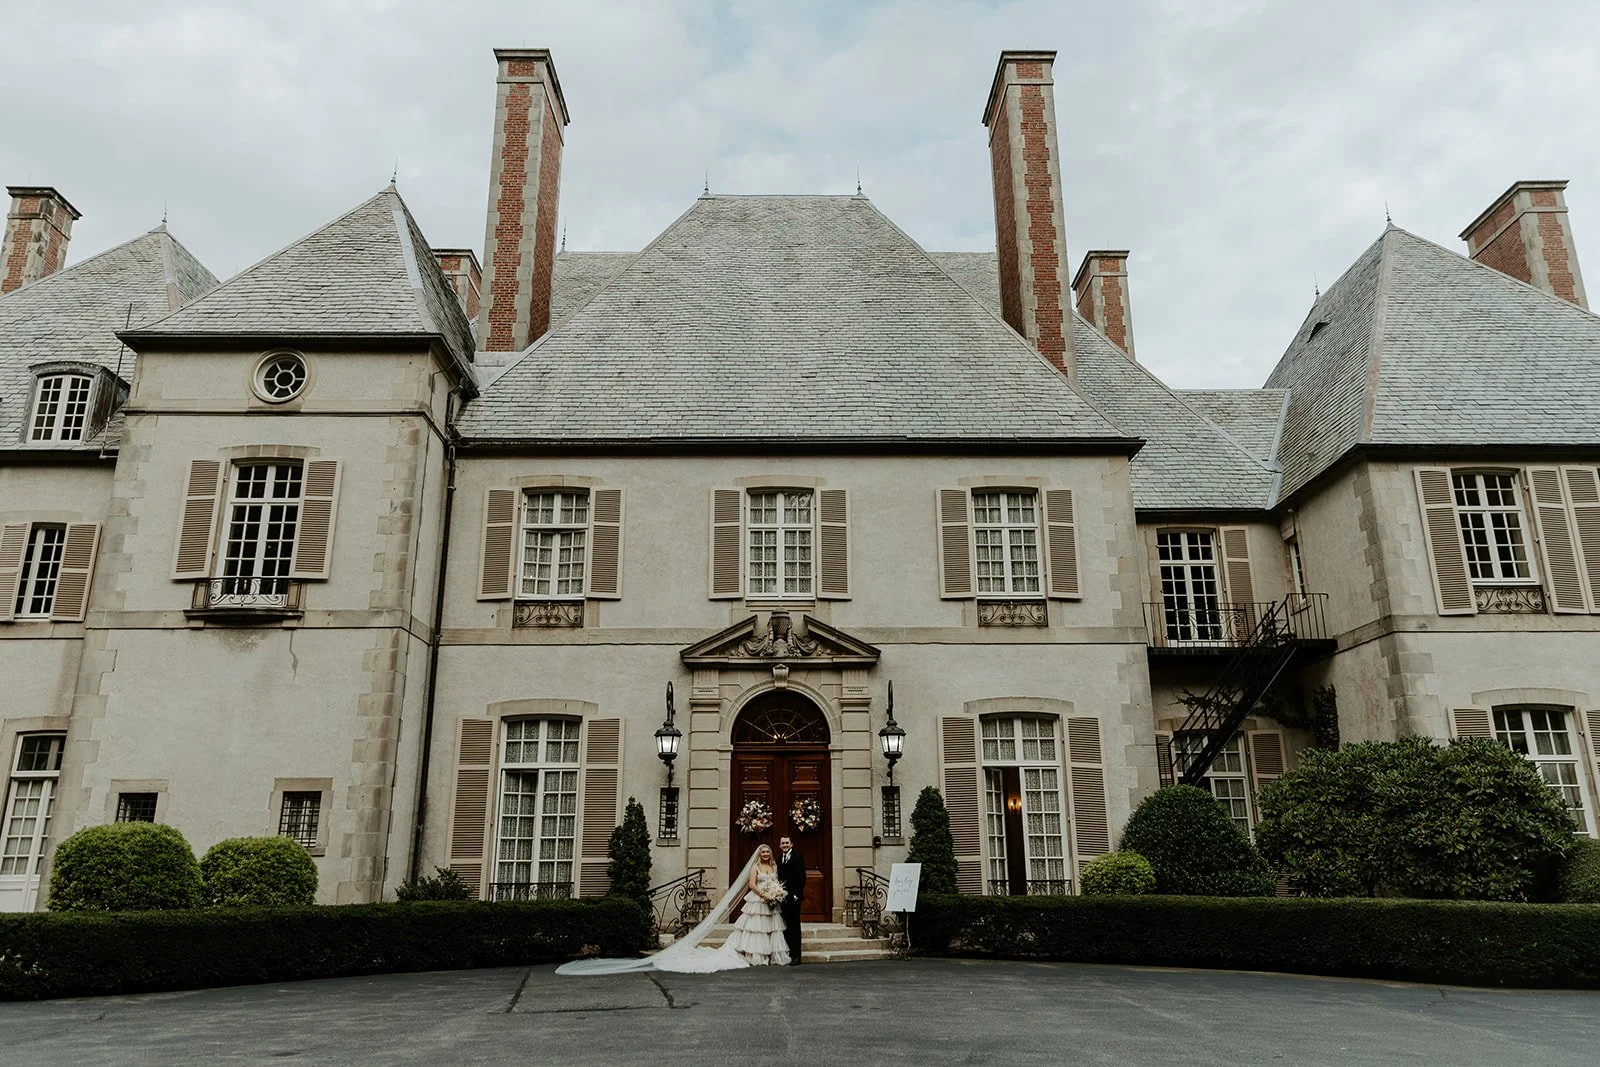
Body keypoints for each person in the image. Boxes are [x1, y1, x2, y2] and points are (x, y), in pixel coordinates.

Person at [722, 843, 790, 966]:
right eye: (763, 852)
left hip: (771, 900)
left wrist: (775, 893)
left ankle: (771, 954)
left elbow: (776, 882)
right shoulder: (755, 867)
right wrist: (763, 895)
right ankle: (757, 955)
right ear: (759, 854)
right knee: (757, 929)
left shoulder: (773, 866)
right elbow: (752, 884)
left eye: (767, 852)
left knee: (770, 928)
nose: (765, 854)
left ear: (770, 854)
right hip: (758, 899)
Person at [776, 834, 806, 965]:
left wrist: (796, 895)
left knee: (794, 926)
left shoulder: (797, 857)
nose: (785, 845)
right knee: (786, 926)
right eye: (783, 843)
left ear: (791, 844)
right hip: (782, 897)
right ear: (780, 845)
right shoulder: (778, 859)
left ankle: (797, 955)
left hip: (793, 898)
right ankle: (788, 951)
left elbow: (802, 878)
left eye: (787, 843)